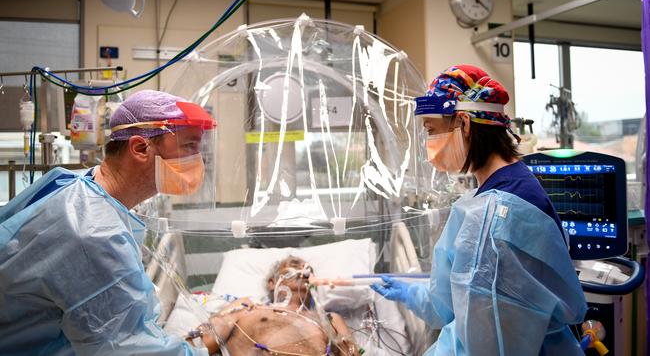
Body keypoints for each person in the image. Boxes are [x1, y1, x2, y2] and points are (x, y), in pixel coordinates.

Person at [371, 65, 587, 355]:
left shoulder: (499, 215)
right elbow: (451, 305)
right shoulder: (508, 187)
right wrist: (411, 293)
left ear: (464, 123)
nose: (429, 145)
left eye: (432, 132)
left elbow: (485, 344)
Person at [0, 90, 219, 355]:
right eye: (189, 147)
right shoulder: (94, 234)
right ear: (140, 148)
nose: (198, 159)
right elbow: (126, 349)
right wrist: (206, 348)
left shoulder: (80, 185)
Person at [189, 256, 360, 356]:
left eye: (307, 268)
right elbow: (198, 346)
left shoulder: (328, 320)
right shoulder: (246, 307)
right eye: (293, 265)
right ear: (272, 283)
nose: (303, 269)